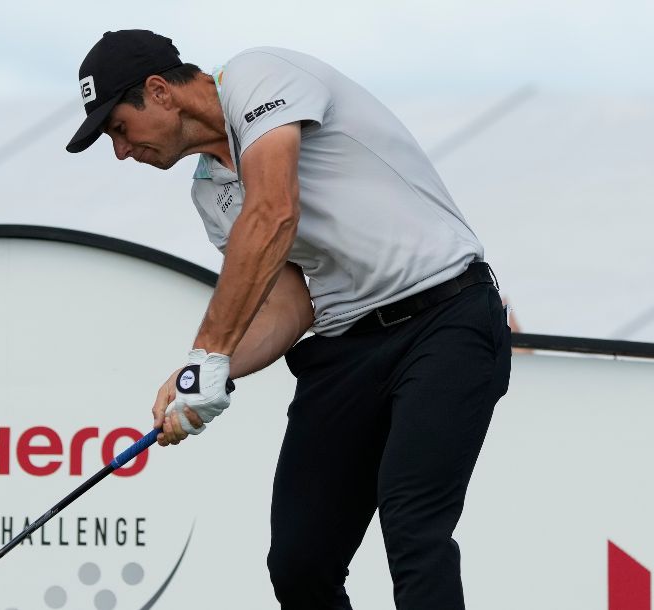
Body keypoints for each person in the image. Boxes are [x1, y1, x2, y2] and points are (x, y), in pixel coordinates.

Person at [65, 29, 511, 610]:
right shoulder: (209, 194)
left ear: (159, 92)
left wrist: (209, 352)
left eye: (119, 128)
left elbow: (274, 210)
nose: (121, 152)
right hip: (347, 347)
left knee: (412, 528)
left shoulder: (258, 76)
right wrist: (206, 374)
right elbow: (288, 307)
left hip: (446, 316)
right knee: (299, 560)